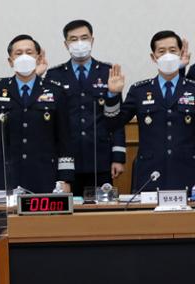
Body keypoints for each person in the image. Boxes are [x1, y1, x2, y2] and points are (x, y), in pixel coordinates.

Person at [0, 34, 74, 193]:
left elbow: (65, 140)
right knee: (4, 219)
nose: (24, 57)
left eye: (29, 52)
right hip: (4, 178)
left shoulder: (56, 92)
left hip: (43, 177)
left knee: (43, 218)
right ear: (10, 61)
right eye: (18, 53)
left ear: (38, 58)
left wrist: (65, 178)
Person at [104, 30, 195, 192]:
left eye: (173, 50)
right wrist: (112, 95)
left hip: (187, 171)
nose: (167, 55)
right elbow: (113, 123)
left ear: (181, 53)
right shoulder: (139, 90)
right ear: (153, 57)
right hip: (150, 173)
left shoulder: (192, 89)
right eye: (161, 51)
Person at [45, 20, 126, 196]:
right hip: (66, 160)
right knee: (66, 214)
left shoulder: (108, 72)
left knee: (102, 215)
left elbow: (116, 117)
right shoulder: (54, 75)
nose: (79, 43)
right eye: (73, 39)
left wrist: (118, 157)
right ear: (66, 44)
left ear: (92, 40)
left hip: (100, 157)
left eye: (84, 38)